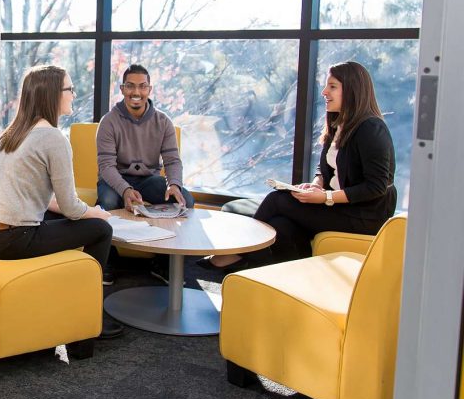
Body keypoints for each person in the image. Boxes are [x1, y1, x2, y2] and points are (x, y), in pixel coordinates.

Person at [201, 61, 396, 271]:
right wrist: (315, 185)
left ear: (352, 89)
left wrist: (326, 197)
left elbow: (375, 187)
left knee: (278, 200)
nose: (324, 92)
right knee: (281, 224)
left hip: (364, 215)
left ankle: (236, 252)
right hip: (339, 205)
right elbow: (325, 169)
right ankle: (290, 275)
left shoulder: (371, 129)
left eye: (332, 86)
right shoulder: (338, 124)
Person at [0, 64, 123, 339]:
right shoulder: (53, 138)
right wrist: (96, 213)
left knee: (66, 220)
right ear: (53, 94)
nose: (73, 95)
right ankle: (86, 315)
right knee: (101, 230)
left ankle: (65, 298)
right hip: (18, 238)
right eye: (69, 89)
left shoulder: (12, 133)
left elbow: (38, 198)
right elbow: (71, 207)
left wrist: (84, 212)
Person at [95, 64, 195, 213]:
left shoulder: (163, 122)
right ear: (122, 89)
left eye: (142, 86)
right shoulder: (108, 122)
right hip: (114, 179)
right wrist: (125, 189)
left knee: (186, 200)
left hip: (148, 180)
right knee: (108, 202)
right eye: (130, 86)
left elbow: (172, 160)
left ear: (149, 89)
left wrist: (174, 185)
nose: (136, 92)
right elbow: (106, 166)